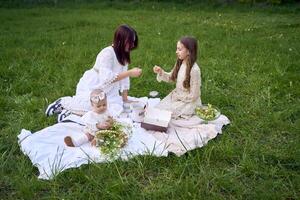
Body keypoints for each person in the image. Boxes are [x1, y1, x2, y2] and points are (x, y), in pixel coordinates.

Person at [45, 24, 142, 121]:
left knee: (114, 110)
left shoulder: (124, 55)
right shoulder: (107, 53)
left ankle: (72, 113)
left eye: (133, 42)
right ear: (120, 40)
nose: (132, 45)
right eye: (130, 42)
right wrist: (130, 72)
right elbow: (106, 78)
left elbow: (124, 79)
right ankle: (63, 103)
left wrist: (124, 99)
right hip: (94, 86)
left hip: (110, 90)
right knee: (94, 105)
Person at [153, 36, 202, 119]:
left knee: (166, 114)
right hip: (177, 96)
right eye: (177, 49)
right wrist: (161, 72)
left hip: (188, 101)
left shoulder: (194, 70)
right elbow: (171, 78)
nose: (176, 52)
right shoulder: (180, 62)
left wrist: (179, 97)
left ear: (189, 51)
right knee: (159, 109)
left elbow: (194, 95)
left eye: (179, 49)